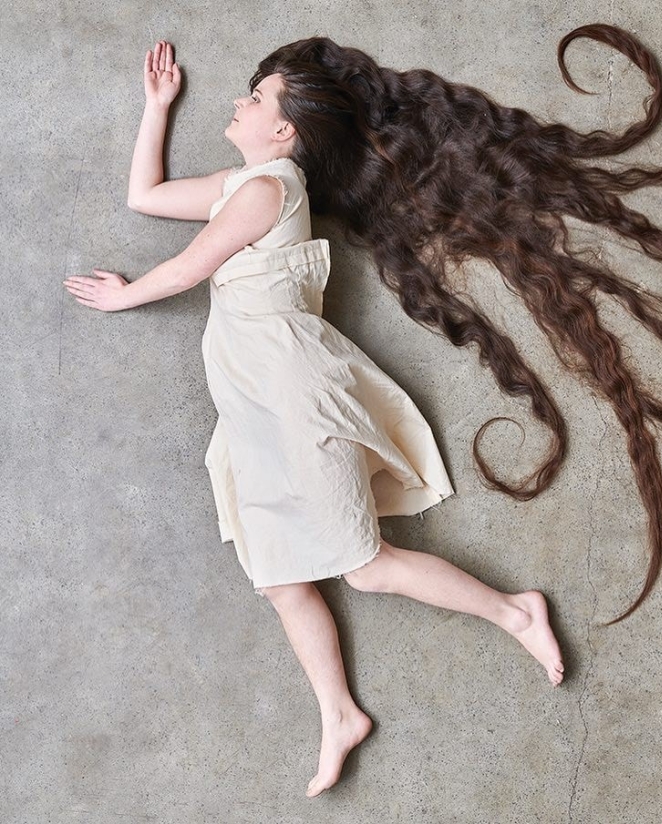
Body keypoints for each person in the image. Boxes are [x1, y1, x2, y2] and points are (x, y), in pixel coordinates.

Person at [62, 39, 565, 798]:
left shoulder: (269, 187)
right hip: (250, 402)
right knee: (278, 577)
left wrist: (125, 294)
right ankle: (338, 713)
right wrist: (156, 108)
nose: (239, 101)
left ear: (284, 131)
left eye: (256, 98)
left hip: (294, 393)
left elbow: (191, 265)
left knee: (362, 568)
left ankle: (515, 612)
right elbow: (146, 197)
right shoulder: (244, 182)